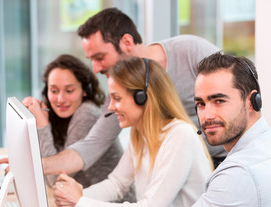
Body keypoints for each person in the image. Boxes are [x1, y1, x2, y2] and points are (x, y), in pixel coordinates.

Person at [98, 52, 271, 207]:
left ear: (252, 101)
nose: (207, 115)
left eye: (219, 101)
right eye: (201, 104)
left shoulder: (241, 172)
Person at [41, 8, 227, 179]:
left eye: (100, 57)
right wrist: (36, 165)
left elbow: (237, 98)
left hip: (225, 162)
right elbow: (92, 144)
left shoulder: (191, 51)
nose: (95, 69)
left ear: (127, 42)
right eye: (91, 60)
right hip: (181, 171)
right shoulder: (120, 95)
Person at [52, 57, 213, 207]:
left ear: (142, 97)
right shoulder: (141, 134)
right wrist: (75, 196)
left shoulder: (180, 135)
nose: (110, 107)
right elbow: (116, 184)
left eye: (117, 98)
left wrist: (80, 202)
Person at [21, 54, 123, 188]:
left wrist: (42, 126)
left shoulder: (87, 114)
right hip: (82, 201)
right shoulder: (57, 114)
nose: (60, 99)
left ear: (85, 91)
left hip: (111, 205)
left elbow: (55, 180)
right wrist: (31, 123)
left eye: (69, 90)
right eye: (54, 91)